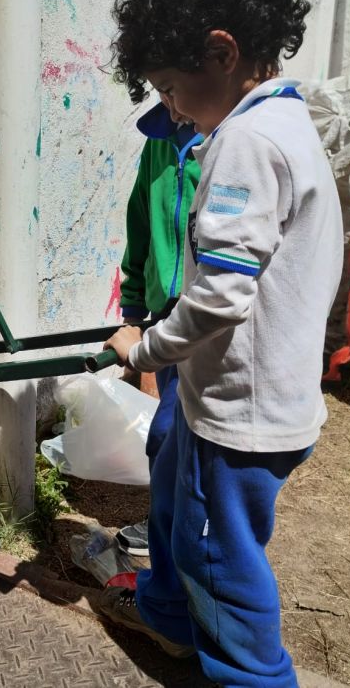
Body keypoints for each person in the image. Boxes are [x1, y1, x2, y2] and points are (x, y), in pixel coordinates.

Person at [100, 0, 343, 687]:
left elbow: (222, 296)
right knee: (176, 507)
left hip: (237, 419)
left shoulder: (245, 143)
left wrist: (143, 350)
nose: (170, 108)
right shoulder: (286, 126)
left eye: (172, 87)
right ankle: (169, 620)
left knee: (220, 560)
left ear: (222, 52)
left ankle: (252, 676)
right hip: (254, 402)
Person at [116, 102, 201, 557]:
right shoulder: (159, 142)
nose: (168, 99)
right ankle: (172, 523)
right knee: (170, 428)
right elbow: (140, 219)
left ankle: (177, 531)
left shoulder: (223, 140)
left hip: (204, 306)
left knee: (172, 429)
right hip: (163, 307)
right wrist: (133, 297)